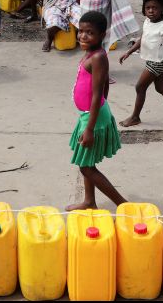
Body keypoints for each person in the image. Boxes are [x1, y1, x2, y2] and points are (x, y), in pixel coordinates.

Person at [66, 11, 126, 211]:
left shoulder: (98, 57)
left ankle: (123, 205)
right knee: (87, 161)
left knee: (86, 167)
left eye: (89, 33)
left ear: (102, 35)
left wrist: (90, 128)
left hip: (93, 118)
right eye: (81, 31)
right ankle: (89, 201)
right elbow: (104, 87)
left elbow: (97, 92)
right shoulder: (91, 53)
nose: (83, 36)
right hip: (89, 115)